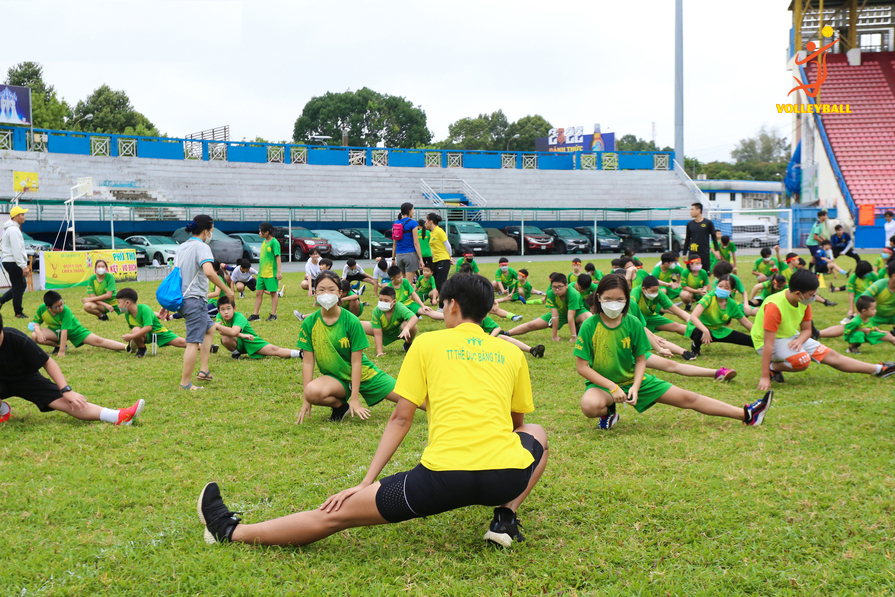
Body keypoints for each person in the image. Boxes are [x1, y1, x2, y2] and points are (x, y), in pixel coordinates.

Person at [198, 273, 547, 549]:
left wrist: (365, 483)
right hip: (506, 476)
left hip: (440, 480)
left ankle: (229, 530)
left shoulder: (427, 342)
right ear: (487, 310)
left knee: (335, 516)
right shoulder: (513, 353)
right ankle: (505, 515)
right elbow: (516, 427)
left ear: (452, 306)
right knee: (538, 435)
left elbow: (401, 417)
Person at [575, 274, 772, 430]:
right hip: (602, 386)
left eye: (619, 299)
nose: (613, 303)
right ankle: (608, 413)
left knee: (689, 398)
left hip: (635, 381)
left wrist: (635, 386)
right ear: (598, 298)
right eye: (608, 299)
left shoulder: (633, 323)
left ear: (627, 300)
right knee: (590, 405)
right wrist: (612, 387)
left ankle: (747, 414)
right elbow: (582, 367)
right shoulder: (589, 325)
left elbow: (641, 360)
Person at [755, 269, 895, 389]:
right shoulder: (774, 306)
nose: (814, 298)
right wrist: (764, 377)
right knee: (803, 360)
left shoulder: (804, 300)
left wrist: (800, 340)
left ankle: (879, 369)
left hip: (790, 336)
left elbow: (807, 330)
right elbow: (768, 343)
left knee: (831, 355)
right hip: (766, 342)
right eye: (812, 294)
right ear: (798, 293)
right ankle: (772, 368)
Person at [0, 313, 144, 426]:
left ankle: (118, 417)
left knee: (70, 403)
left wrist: (66, 390)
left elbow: (48, 362)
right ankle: (2, 410)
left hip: (26, 379)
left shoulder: (15, 337)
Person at [296, 271, 402, 423]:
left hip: (365, 375)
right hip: (336, 379)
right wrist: (307, 399)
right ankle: (340, 406)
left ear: (340, 292)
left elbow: (356, 362)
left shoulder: (351, 321)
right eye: (321, 289)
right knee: (311, 391)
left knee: (412, 399)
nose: (326, 293)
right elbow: (307, 362)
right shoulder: (309, 323)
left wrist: (355, 399)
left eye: (331, 289)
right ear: (314, 292)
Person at [174, 215, 234, 391]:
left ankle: (204, 370)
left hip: (182, 300)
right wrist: (228, 289)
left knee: (210, 327)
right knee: (193, 342)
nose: (212, 234)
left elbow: (175, 276)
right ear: (206, 231)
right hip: (195, 300)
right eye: (212, 230)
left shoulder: (182, 247)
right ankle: (185, 383)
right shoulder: (202, 247)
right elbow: (209, 271)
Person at [31, 291, 127, 356]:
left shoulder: (66, 310)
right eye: (57, 306)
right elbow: (36, 323)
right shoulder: (42, 308)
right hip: (55, 331)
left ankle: (127, 347)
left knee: (99, 341)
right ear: (49, 307)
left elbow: (65, 331)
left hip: (75, 330)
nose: (61, 307)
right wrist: (38, 332)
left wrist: (61, 352)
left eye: (62, 303)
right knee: (34, 336)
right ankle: (60, 345)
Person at [507, 273, 588, 343]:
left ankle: (578, 329)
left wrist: (574, 337)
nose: (557, 290)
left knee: (589, 318)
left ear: (566, 285)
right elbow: (555, 316)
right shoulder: (551, 293)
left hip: (577, 312)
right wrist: (554, 336)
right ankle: (506, 333)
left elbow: (570, 316)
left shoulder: (574, 294)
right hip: (561, 313)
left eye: (560, 287)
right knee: (532, 324)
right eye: (554, 287)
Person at [215, 296, 302, 360]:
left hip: (252, 340)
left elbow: (233, 332)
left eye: (228, 308)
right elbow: (222, 332)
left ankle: (299, 353)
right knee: (225, 338)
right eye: (222, 309)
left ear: (234, 308)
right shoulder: (219, 316)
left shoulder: (239, 316)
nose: (226, 312)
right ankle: (236, 354)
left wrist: (217, 325)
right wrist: (242, 336)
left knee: (274, 349)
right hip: (239, 342)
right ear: (218, 311)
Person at [686, 275, 754, 356]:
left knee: (748, 339)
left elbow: (745, 322)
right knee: (699, 332)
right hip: (698, 327)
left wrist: (760, 336)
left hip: (717, 330)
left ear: (731, 291)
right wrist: (705, 330)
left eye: (726, 287)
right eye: (720, 286)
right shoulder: (709, 297)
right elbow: (693, 317)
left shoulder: (732, 304)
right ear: (716, 286)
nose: (722, 289)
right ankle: (695, 348)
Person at [116, 288, 188, 357]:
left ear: (127, 303)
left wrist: (131, 337)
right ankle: (142, 349)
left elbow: (148, 327)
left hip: (159, 333)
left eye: (119, 303)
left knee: (183, 342)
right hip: (145, 336)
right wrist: (132, 339)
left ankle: (198, 347)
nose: (118, 306)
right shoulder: (127, 314)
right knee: (135, 330)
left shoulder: (144, 308)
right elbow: (134, 330)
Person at [362, 286, 419, 355]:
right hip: (382, 330)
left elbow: (414, 318)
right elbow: (378, 334)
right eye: (380, 300)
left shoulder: (399, 307)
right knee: (359, 324)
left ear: (394, 301)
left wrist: (406, 328)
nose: (383, 302)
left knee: (413, 326)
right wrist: (379, 352)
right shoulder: (377, 311)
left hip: (398, 330)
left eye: (386, 301)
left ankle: (408, 344)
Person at [0, 205, 31, 319]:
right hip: (13, 261)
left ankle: (1, 301)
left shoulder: (11, 229)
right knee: (19, 286)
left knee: (20, 285)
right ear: (16, 216)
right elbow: (17, 250)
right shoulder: (13, 230)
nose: (24, 217)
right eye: (22, 214)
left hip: (10, 261)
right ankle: (18, 313)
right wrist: (23, 266)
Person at [248, 222, 283, 322]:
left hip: (271, 273)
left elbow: (278, 257)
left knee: (273, 293)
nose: (259, 233)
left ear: (267, 232)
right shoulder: (264, 243)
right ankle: (255, 315)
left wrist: (278, 272)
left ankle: (273, 315)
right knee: (258, 293)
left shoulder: (274, 242)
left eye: (260, 231)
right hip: (261, 273)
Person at [391, 203, 424, 278]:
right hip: (410, 254)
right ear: (409, 211)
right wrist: (421, 259)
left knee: (403, 282)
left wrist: (393, 258)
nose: (413, 212)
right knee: (409, 283)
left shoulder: (396, 223)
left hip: (399, 255)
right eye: (413, 210)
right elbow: (416, 243)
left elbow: (394, 244)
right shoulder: (413, 223)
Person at [683, 202, 720, 268]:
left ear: (698, 210)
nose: (690, 211)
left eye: (692, 209)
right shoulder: (690, 224)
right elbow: (687, 239)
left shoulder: (708, 223)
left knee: (705, 274)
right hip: (693, 253)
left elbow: (714, 237)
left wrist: (717, 250)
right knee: (691, 273)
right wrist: (684, 253)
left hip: (704, 253)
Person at [425, 213, 453, 300]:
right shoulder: (431, 233)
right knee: (436, 284)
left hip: (443, 260)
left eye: (426, 221)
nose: (425, 223)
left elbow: (448, 246)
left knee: (441, 284)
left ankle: (442, 306)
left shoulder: (439, 231)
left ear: (431, 221)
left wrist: (449, 256)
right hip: (436, 261)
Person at [861, 260, 895, 331]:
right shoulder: (879, 285)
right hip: (875, 317)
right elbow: (862, 299)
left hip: (892, 316)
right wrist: (861, 318)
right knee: (858, 330)